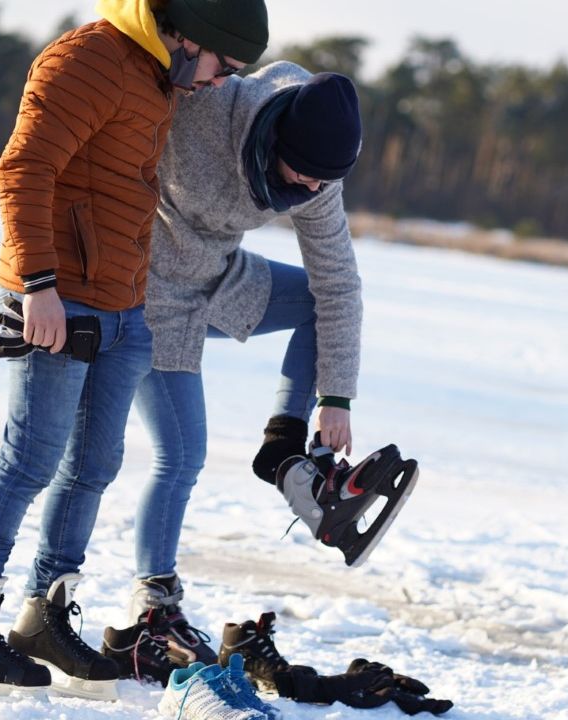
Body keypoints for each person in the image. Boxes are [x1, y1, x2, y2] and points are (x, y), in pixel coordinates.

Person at [0, 0, 269, 701]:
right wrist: (36, 287)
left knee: (93, 468)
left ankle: (42, 617)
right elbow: (22, 170)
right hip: (61, 299)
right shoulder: (86, 59)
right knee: (30, 460)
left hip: (121, 309)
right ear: (189, 33)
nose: (218, 82)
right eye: (221, 66)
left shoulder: (158, 78)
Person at [122, 62, 418, 666]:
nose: (310, 189)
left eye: (323, 181)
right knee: (181, 456)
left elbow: (338, 282)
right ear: (277, 136)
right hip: (147, 289)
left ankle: (284, 456)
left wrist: (336, 397)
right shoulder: (206, 109)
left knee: (316, 297)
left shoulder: (319, 178)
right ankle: (154, 607)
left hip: (218, 276)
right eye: (304, 173)